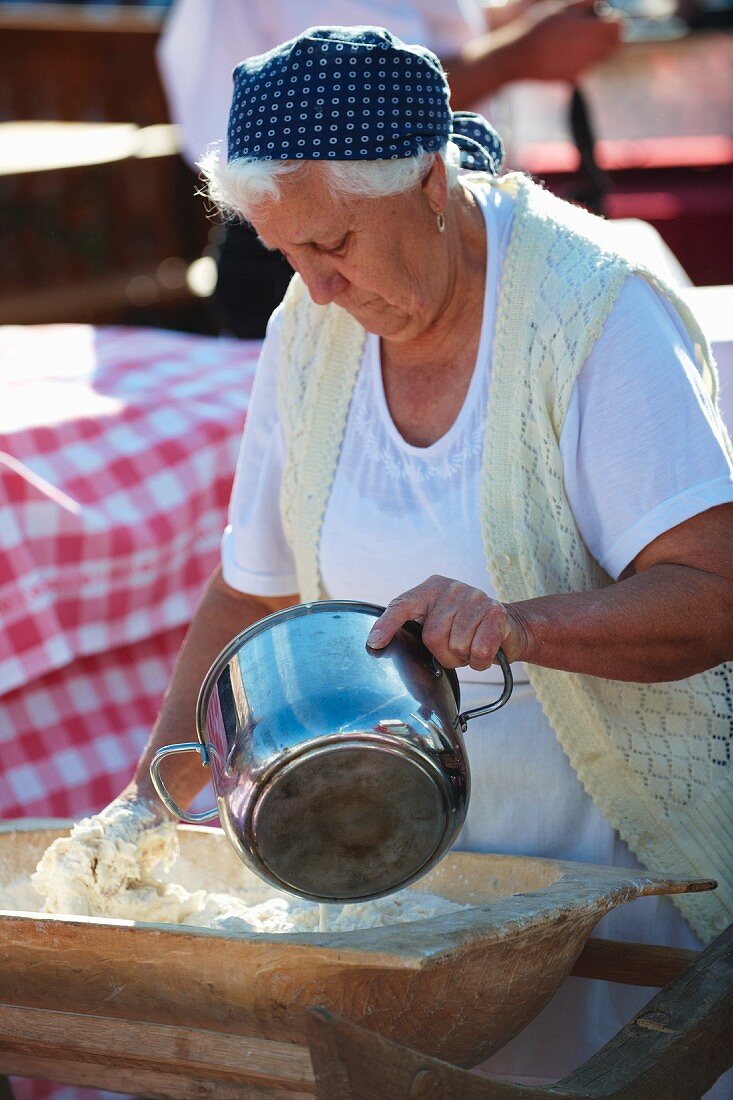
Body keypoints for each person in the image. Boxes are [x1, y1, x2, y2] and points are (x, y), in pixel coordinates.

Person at [54, 25, 733, 1090]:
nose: (316, 288)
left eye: (333, 245)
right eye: (287, 254)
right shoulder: (310, 325)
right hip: (399, 893)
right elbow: (252, 584)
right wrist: (152, 789)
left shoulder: (594, 310)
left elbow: (712, 593)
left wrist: (520, 624)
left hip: (617, 904)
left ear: (428, 181)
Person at [157, 0, 623, 336]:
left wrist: (519, 16)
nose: (316, 292)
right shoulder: (308, 294)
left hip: (353, 220)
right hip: (304, 222)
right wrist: (522, 54)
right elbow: (362, 104)